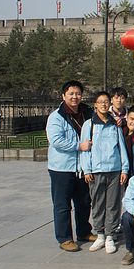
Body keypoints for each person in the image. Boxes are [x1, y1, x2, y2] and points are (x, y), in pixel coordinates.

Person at [46, 80, 96, 252]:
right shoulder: (56, 117)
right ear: (63, 96)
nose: (75, 97)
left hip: (82, 167)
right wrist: (79, 145)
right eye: (71, 94)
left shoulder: (87, 113)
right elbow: (56, 140)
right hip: (62, 168)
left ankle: (84, 231)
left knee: (84, 202)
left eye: (78, 93)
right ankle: (65, 238)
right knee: (62, 204)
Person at [80, 91, 128, 254]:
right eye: (100, 101)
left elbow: (121, 147)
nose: (103, 104)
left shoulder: (115, 124)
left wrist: (124, 168)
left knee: (113, 204)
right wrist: (87, 169)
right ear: (95, 104)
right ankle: (100, 234)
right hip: (96, 171)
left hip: (114, 170)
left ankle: (110, 235)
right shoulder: (89, 125)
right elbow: (85, 149)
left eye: (106, 101)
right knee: (98, 203)